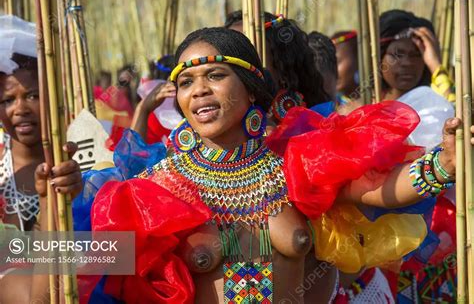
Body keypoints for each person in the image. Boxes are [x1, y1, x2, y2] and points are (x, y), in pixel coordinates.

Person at [75, 27, 461, 304]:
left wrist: (444, 164)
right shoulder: (158, 187)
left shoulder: (295, 164)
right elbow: (83, 260)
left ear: (249, 86)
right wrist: (48, 207)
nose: (200, 90)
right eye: (187, 81)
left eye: (215, 75)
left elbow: (379, 190)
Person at [0, 15, 82, 304]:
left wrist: (59, 201)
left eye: (32, 96)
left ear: (53, 97)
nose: (19, 109)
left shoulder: (83, 161)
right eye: (8, 100)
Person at [380, 9, 455, 103]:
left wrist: (436, 67)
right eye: (397, 54)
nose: (407, 63)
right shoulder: (362, 108)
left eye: (416, 55)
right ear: (380, 57)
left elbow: (455, 111)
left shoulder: (434, 106)